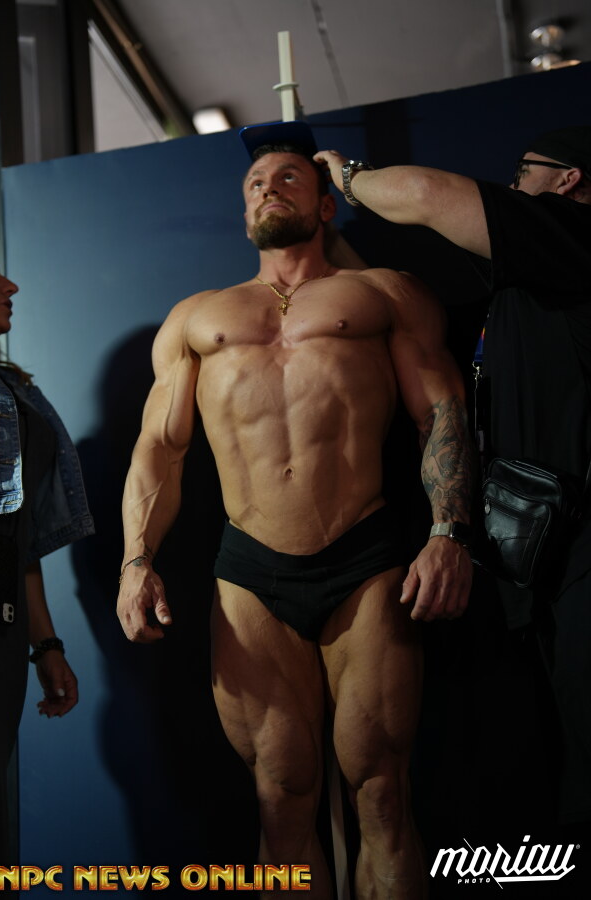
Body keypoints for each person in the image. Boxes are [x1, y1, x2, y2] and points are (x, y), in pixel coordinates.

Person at [117, 133, 473, 898]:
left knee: (382, 792)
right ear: (243, 210)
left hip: (365, 560)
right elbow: (160, 451)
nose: (268, 190)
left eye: (287, 178)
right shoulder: (197, 319)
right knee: (281, 795)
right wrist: (136, 561)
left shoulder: (384, 295)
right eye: (255, 183)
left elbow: (441, 414)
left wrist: (448, 533)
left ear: (325, 204)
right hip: (251, 572)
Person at [315, 126, 591, 835]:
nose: (512, 183)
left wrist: (344, 178)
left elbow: (424, 193)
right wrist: (326, 240)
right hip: (544, 564)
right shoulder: (527, 289)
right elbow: (392, 303)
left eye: (524, 170)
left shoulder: (572, 234)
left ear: (567, 180)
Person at [0, 254, 94, 861]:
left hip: (3, 628)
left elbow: (18, 536)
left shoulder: (16, 391)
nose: (11, 285)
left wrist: (46, 645)